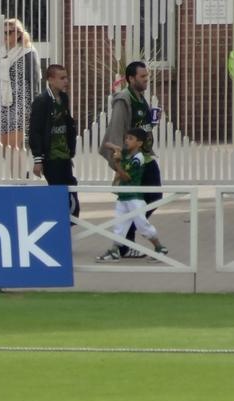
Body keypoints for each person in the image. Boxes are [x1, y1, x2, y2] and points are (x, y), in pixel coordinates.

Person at [100, 60, 162, 258]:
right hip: (133, 161)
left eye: (147, 76)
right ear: (131, 78)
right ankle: (125, 243)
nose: (146, 80)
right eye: (142, 77)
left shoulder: (140, 97)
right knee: (144, 198)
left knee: (149, 198)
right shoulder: (124, 99)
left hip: (146, 158)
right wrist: (117, 163)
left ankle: (126, 242)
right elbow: (116, 130)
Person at [96, 128, 169, 262]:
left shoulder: (138, 158)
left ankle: (160, 248)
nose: (127, 141)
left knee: (142, 225)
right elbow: (108, 145)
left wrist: (117, 164)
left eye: (131, 139)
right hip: (123, 197)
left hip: (134, 198)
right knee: (119, 224)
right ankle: (114, 251)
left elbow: (127, 177)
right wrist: (114, 147)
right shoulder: (126, 154)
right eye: (126, 138)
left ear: (139, 143)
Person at [0, 18, 40, 174]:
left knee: (15, 143)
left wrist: (34, 107)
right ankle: (19, 173)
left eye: (9, 32)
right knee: (2, 143)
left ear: (18, 34)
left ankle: (18, 177)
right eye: (3, 33)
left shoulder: (28, 52)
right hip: (0, 100)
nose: (5, 36)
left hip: (21, 100)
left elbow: (34, 81)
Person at [29, 64, 79, 219]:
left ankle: (68, 221)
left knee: (71, 187)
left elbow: (66, 126)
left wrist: (69, 152)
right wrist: (38, 159)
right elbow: (35, 131)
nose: (66, 81)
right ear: (50, 80)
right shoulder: (42, 101)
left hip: (64, 155)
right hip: (51, 157)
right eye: (62, 78)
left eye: (66, 77)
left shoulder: (63, 98)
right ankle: (57, 221)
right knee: (59, 191)